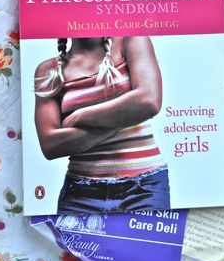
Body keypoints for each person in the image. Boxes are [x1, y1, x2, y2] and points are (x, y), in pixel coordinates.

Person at [33, 36, 170, 214]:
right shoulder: (49, 69)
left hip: (145, 188)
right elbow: (51, 145)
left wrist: (78, 117)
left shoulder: (131, 40)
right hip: (80, 194)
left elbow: (149, 101)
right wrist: (129, 115)